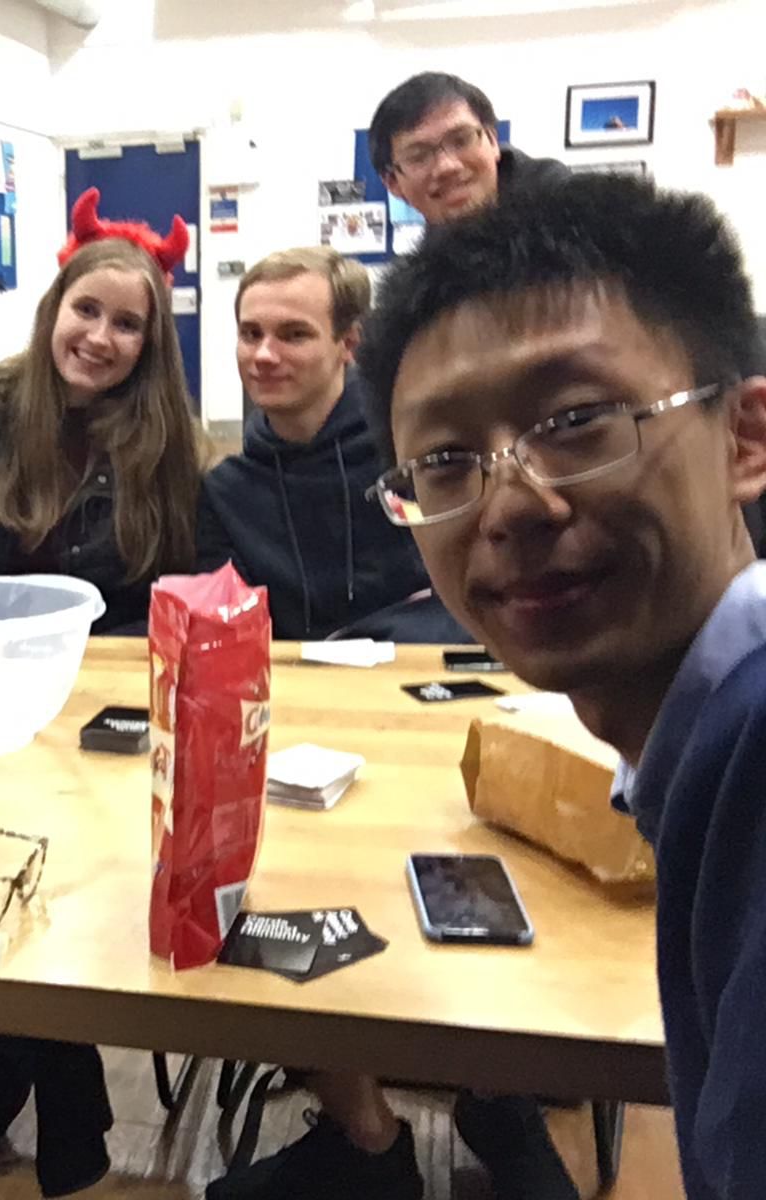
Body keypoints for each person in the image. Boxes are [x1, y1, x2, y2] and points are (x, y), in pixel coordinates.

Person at [354, 172, 766, 1200]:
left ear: (745, 438)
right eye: (445, 461)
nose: (510, 506)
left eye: (577, 419)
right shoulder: (708, 753)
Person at [0, 191, 201, 1197]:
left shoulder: (161, 445)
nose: (99, 337)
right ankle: (58, 1078)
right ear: (53, 307)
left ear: (149, 345)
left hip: (95, 721)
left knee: (67, 879)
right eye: (86, 310)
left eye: (126, 323)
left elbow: (171, 609)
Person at [195, 246, 456, 640]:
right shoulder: (226, 492)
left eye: (293, 334)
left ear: (349, 344)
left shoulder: (411, 462)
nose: (263, 355)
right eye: (251, 334)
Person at [369, 72, 569, 227]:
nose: (447, 166)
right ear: (393, 183)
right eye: (419, 157)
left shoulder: (562, 204)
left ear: (492, 141)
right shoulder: (431, 260)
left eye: (461, 140)